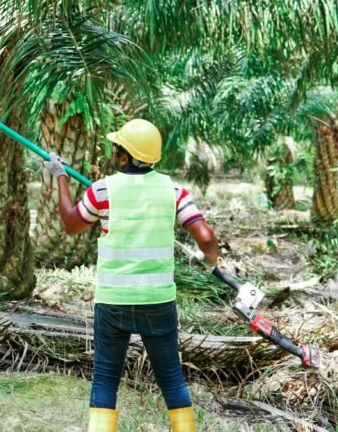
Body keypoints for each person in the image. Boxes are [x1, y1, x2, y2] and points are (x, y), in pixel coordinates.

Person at [44, 118, 219, 432]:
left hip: (114, 301)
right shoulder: (175, 191)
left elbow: (71, 224)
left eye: (117, 148)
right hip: (158, 301)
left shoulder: (102, 191)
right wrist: (209, 261)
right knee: (171, 379)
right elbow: (206, 237)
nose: (114, 152)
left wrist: (59, 177)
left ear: (125, 156)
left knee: (106, 380)